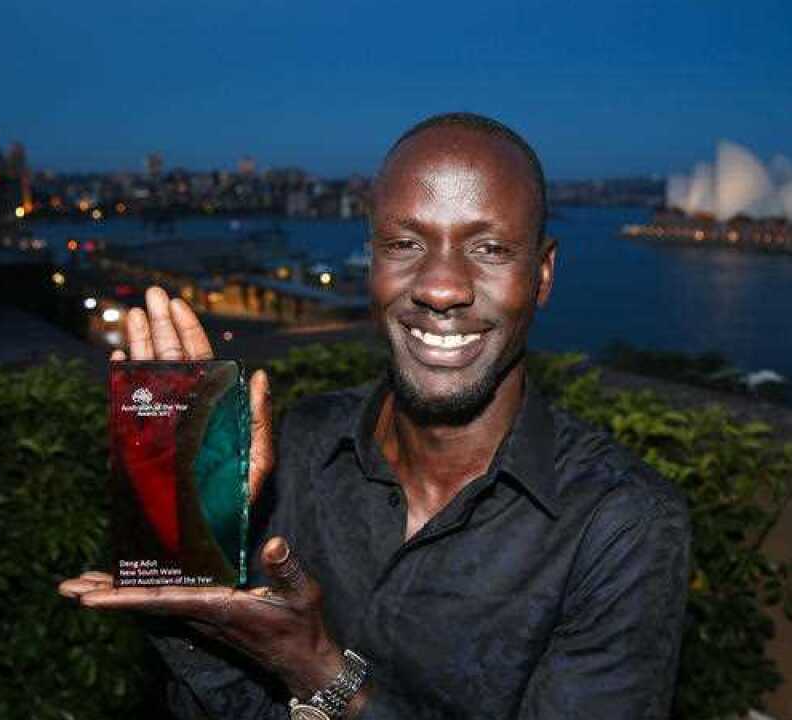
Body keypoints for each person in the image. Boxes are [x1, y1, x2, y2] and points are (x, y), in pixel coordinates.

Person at [60, 112, 690, 719]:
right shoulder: (295, 448)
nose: (441, 287)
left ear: (543, 274)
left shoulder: (622, 524)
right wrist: (186, 562)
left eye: (491, 248)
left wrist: (319, 671)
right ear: (373, 262)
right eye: (405, 243)